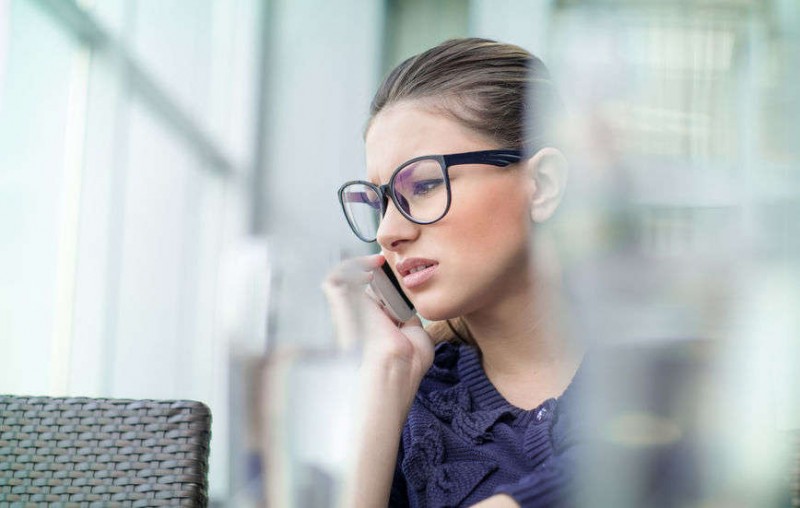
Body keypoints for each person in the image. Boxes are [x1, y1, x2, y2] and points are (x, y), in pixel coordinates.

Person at [324, 38, 584, 508]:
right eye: (380, 202)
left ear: (542, 185)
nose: (387, 232)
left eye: (422, 185)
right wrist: (384, 374)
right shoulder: (410, 406)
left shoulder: (652, 370)